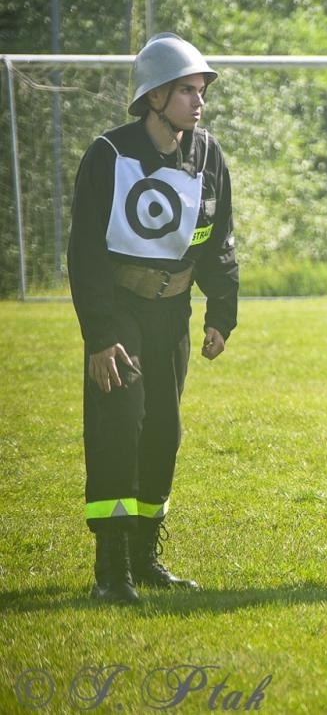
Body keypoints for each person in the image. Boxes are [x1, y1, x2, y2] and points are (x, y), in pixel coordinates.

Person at [69, 33, 239, 604]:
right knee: (119, 426)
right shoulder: (108, 155)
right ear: (156, 96)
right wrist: (100, 334)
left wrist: (222, 307)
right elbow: (86, 253)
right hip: (120, 310)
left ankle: (145, 557)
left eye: (201, 91)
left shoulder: (208, 153)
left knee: (163, 430)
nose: (199, 102)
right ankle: (109, 569)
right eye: (187, 91)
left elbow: (217, 239)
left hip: (175, 312)